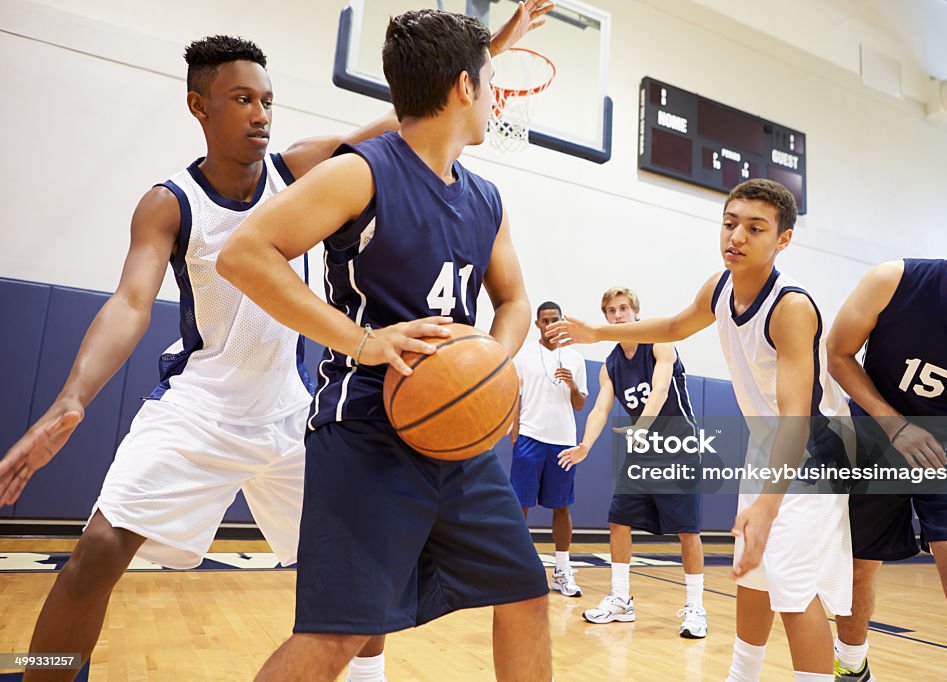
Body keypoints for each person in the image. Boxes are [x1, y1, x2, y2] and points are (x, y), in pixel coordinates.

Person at [0, 4, 550, 680]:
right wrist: (71, 398)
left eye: (267, 100)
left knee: (362, 612)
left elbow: (416, 122)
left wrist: (486, 50)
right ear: (199, 107)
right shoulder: (172, 201)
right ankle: (41, 672)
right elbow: (129, 303)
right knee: (96, 555)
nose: (260, 114)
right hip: (200, 408)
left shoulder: (299, 169)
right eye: (241, 99)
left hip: (290, 415)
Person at [217, 9, 552, 682]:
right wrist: (362, 341)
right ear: (464, 87)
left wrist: (492, 357)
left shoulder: (486, 198)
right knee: (337, 637)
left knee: (525, 592)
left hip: (457, 435)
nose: (495, 98)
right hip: (368, 428)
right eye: (491, 82)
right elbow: (246, 254)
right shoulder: (362, 173)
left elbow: (513, 300)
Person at [550, 180, 853, 682]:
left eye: (755, 228)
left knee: (794, 587)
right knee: (752, 576)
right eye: (730, 222)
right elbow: (671, 327)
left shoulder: (791, 308)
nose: (736, 235)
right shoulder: (719, 286)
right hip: (768, 447)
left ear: (782, 240)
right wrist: (599, 333)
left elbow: (798, 418)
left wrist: (768, 504)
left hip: (814, 451)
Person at [827, 179, 947, 682]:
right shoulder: (894, 279)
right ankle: (852, 668)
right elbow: (838, 354)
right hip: (874, 431)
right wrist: (897, 426)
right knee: (858, 568)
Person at [556, 286, 708, 638]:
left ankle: (695, 606)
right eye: (611, 311)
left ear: (635, 312)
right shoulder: (610, 364)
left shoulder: (659, 342)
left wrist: (641, 427)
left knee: (687, 530)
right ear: (606, 317)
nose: (618, 315)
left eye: (624, 309)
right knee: (618, 520)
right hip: (642, 447)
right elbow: (599, 409)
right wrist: (585, 445)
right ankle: (621, 599)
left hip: (677, 444)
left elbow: (660, 391)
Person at [510, 301, 588, 598]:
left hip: (563, 441)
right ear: (538, 325)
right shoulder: (525, 355)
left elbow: (580, 404)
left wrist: (571, 385)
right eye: (545, 321)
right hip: (530, 436)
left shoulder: (575, 358)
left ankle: (562, 571)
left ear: (561, 321)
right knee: (521, 505)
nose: (550, 325)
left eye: (555, 319)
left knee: (561, 505)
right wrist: (515, 432)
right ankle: (517, 569)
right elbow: (514, 396)